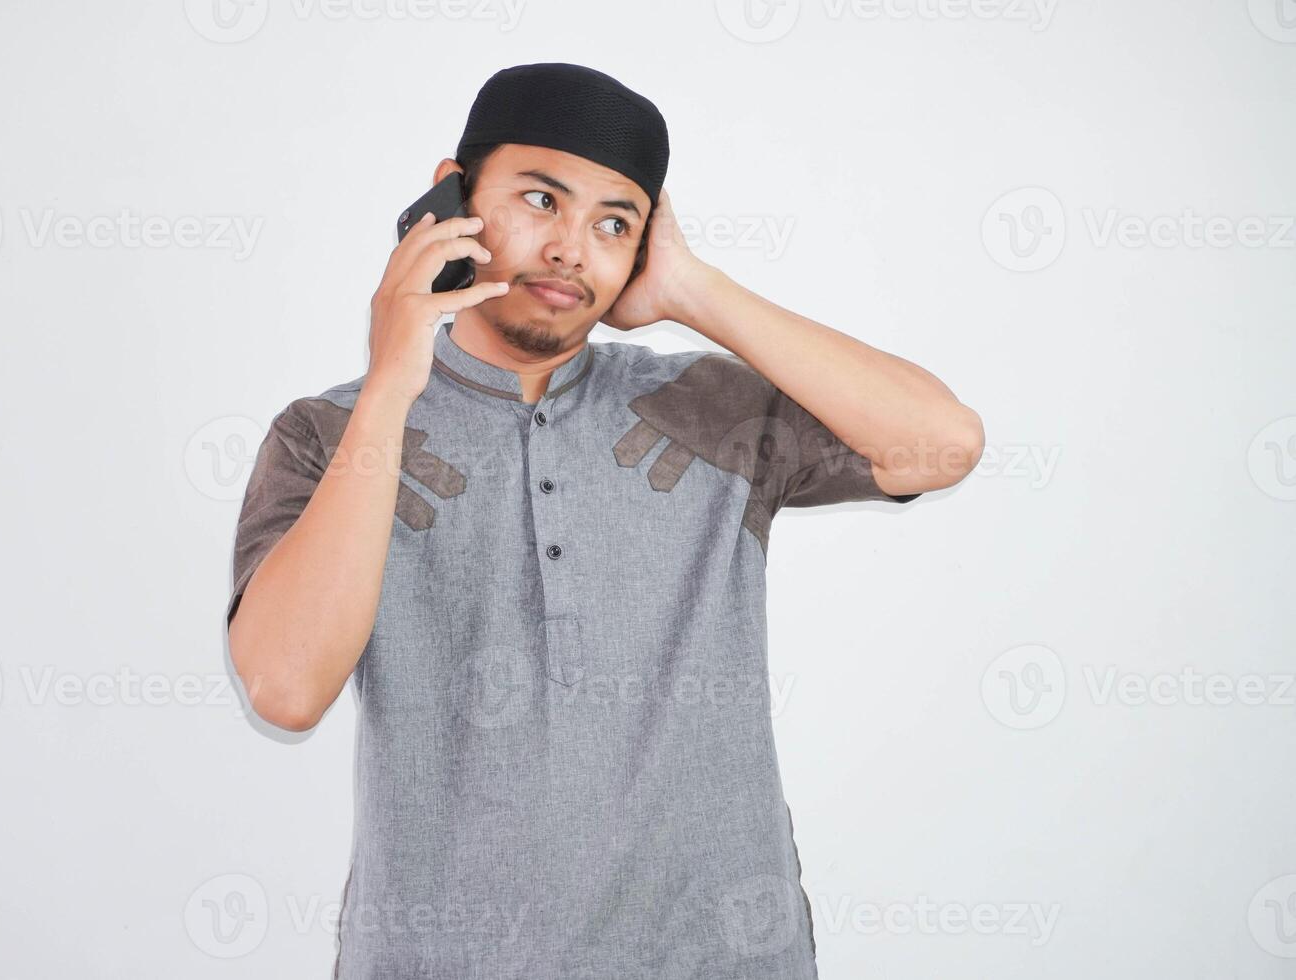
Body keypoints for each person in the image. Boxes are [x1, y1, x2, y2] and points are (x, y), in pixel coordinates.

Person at [226, 62, 982, 980]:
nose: (571, 250)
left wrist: (694, 290)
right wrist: (393, 378)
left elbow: (943, 443)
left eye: (613, 223)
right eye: (540, 200)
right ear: (450, 197)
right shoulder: (329, 434)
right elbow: (286, 689)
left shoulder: (705, 408)